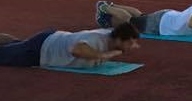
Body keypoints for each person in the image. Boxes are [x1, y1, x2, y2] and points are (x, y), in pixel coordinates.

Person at [0, 22, 140, 68]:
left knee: (17, 44)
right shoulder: (96, 39)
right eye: (129, 43)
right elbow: (76, 50)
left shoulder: (111, 36)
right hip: (42, 50)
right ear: (119, 39)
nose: (132, 46)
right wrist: (103, 55)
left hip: (49, 40)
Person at [95, 0, 192, 35]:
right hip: (160, 24)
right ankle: (104, 7)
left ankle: (111, 6)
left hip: (165, 17)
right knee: (130, 20)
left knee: (140, 16)